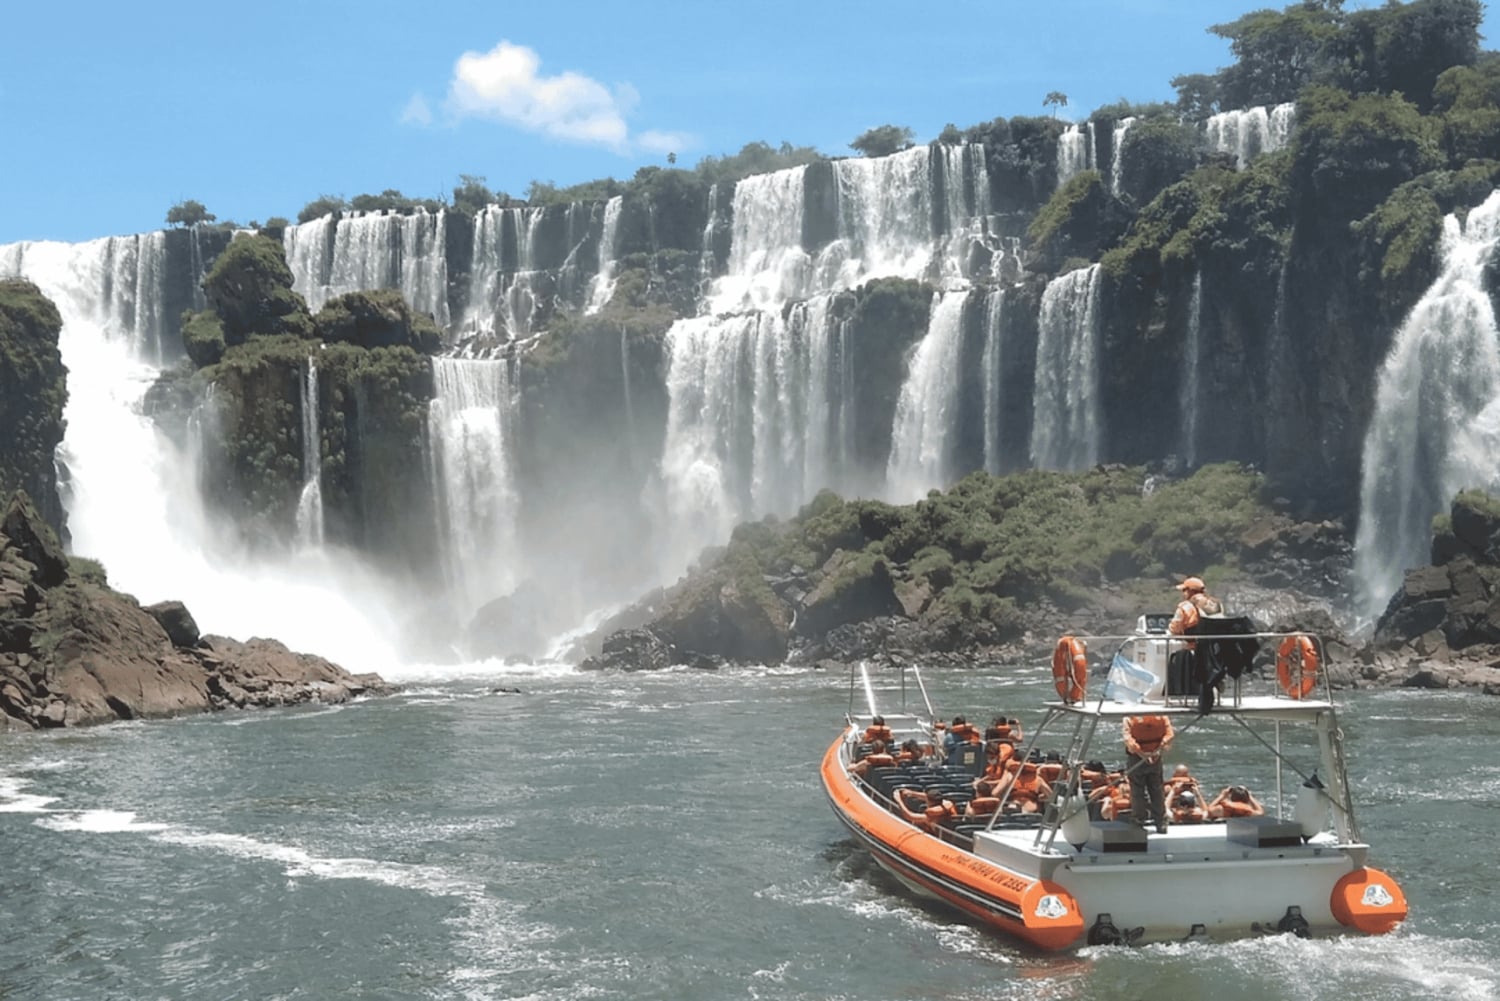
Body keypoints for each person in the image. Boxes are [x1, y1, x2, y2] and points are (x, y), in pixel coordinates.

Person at [1124, 713, 1174, 833]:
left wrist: (1142, 754)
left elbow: (1128, 739)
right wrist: (1158, 750)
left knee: (1137, 791)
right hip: (1154, 756)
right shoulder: (1162, 718)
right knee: (1157, 790)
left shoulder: (1130, 718)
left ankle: (1138, 820)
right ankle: (1160, 822)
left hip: (1137, 757)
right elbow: (1169, 735)